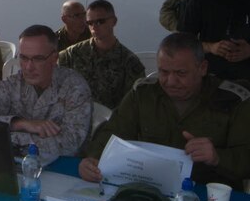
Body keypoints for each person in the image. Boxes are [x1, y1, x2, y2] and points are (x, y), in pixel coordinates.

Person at [79, 33, 250, 186]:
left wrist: (217, 157)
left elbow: (245, 158)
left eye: (181, 73)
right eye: (164, 72)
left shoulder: (233, 101)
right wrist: (93, 158)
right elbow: (112, 131)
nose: (170, 81)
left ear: (202, 68)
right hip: (150, 186)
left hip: (210, 195)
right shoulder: (143, 94)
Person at [0, 25, 92, 158]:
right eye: (24, 58)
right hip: (15, 164)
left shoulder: (74, 88)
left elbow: (71, 144)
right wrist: (20, 124)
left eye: (38, 59)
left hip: (61, 171)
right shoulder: (12, 84)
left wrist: (10, 139)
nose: (29, 67)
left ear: (54, 59)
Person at [57, 0, 145, 109]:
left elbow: (135, 104)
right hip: (75, 120)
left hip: (111, 123)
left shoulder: (130, 62)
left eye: (100, 21)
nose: (94, 27)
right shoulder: (70, 55)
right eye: (89, 23)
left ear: (113, 21)